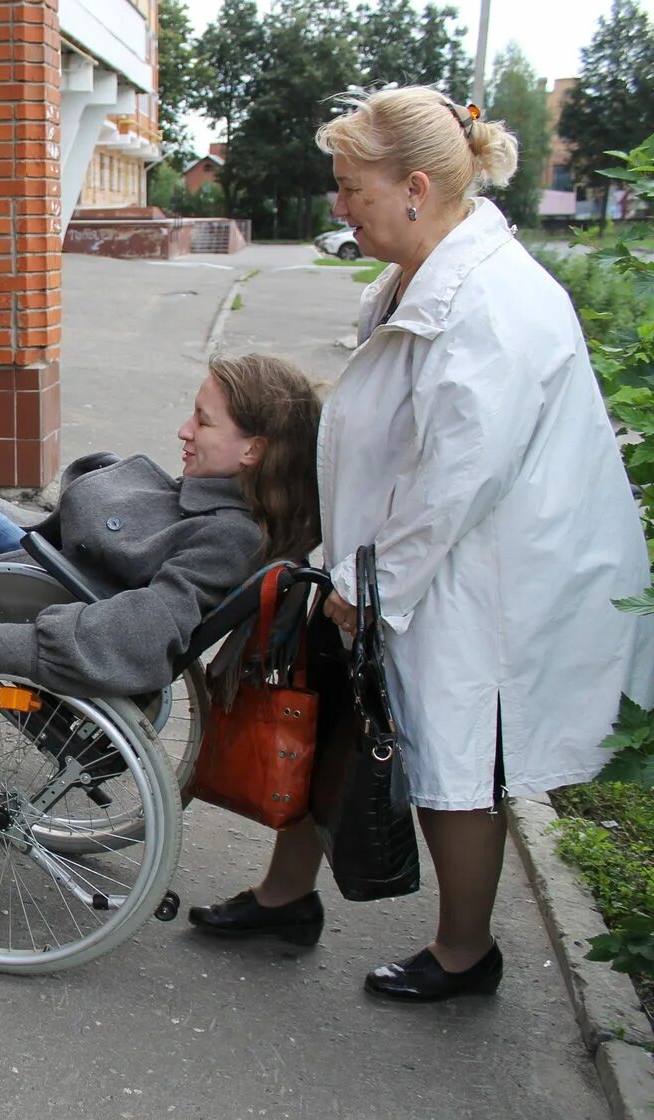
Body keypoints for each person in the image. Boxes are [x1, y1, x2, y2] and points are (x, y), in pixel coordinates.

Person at [189, 86, 654, 1002]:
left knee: (452, 758)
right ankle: (288, 897)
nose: (338, 205)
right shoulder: (424, 271)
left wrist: (374, 585)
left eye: (348, 186)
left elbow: (459, 477)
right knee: (344, 721)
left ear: (412, 186)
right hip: (410, 560)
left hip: (479, 576)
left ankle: (464, 952)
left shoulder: (491, 305)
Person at [0, 353, 323, 701]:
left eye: (204, 422)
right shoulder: (229, 506)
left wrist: (1, 641)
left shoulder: (230, 535)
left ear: (252, 452)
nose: (184, 430)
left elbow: (147, 626)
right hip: (83, 576)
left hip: (73, 600)